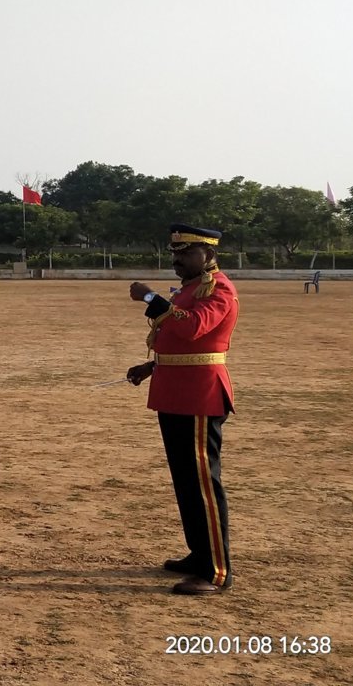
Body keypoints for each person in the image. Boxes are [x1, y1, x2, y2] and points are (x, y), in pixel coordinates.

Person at [125, 223, 238, 595]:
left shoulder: (218, 289)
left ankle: (216, 571)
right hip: (175, 391)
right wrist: (152, 366)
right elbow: (183, 342)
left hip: (199, 395)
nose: (178, 259)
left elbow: (194, 328)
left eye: (187, 253)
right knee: (186, 482)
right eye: (175, 253)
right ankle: (199, 554)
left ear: (208, 254)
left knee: (203, 484)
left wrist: (150, 297)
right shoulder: (190, 289)